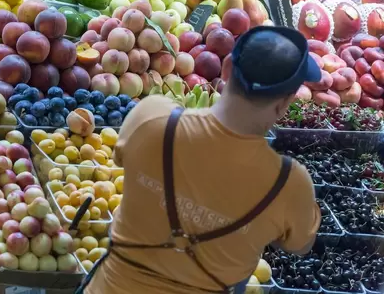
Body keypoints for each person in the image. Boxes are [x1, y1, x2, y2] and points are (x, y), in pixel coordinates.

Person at [80, 26, 322, 294]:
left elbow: (121, 159)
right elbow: (300, 244)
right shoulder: (290, 184)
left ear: (227, 68)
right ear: (285, 102)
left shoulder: (151, 117)